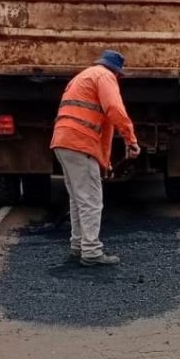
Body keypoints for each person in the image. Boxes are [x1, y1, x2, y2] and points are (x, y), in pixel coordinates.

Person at [50, 50, 140, 266]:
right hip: (78, 142)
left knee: (78, 198)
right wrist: (131, 140)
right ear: (116, 72)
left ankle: (78, 245)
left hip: (63, 140)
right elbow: (115, 110)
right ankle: (91, 251)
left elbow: (106, 127)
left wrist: (105, 162)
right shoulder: (105, 77)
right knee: (91, 201)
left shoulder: (84, 76)